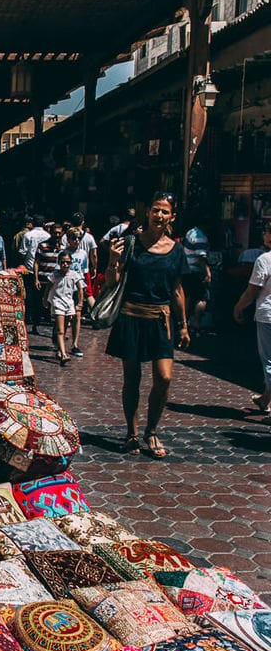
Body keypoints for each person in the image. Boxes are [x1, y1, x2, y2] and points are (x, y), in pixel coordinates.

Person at [104, 191, 191, 458]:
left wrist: (184, 325)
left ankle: (151, 431)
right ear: (148, 212)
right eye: (156, 210)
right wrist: (112, 259)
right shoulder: (132, 243)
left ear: (172, 217)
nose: (159, 215)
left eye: (165, 211)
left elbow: (177, 289)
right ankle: (131, 433)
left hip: (160, 320)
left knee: (164, 377)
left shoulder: (176, 250)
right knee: (132, 378)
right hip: (131, 316)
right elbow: (112, 282)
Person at [233, 220, 271, 414]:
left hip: (268, 315)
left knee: (269, 360)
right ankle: (266, 399)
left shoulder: (264, 260)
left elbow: (251, 291)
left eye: (267, 231)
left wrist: (239, 307)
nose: (265, 234)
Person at [43, 250, 83, 365]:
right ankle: (64, 354)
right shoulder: (54, 275)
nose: (65, 264)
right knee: (60, 330)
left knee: (64, 329)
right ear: (59, 262)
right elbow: (48, 288)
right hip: (57, 303)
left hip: (68, 303)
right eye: (63, 262)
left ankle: (60, 350)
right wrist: (45, 300)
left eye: (68, 262)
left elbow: (80, 289)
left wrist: (80, 303)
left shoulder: (74, 275)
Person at [66, 227, 94, 355]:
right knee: (67, 315)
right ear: (68, 239)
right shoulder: (64, 253)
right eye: (74, 238)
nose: (76, 241)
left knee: (77, 315)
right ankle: (61, 337)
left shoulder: (83, 254)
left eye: (78, 238)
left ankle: (75, 344)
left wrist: (86, 287)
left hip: (78, 288)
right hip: (66, 288)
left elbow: (84, 271)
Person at [20, 214, 50, 332]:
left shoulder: (28, 235)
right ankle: (42, 316)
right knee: (42, 294)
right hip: (43, 269)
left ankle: (29, 317)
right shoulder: (48, 235)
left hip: (29, 268)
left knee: (29, 294)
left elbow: (22, 252)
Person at [181, 224, 212, 336]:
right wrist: (207, 273)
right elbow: (201, 257)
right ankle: (197, 324)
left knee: (188, 296)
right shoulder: (200, 237)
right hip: (196, 271)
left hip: (187, 270)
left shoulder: (191, 232)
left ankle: (185, 323)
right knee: (202, 297)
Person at [34, 223, 65, 333]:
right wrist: (36, 278)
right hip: (43, 278)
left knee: (55, 304)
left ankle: (56, 329)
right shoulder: (43, 245)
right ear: (50, 233)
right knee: (40, 302)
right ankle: (36, 325)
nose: (57, 235)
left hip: (56, 280)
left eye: (59, 233)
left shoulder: (63, 248)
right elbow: (37, 262)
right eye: (55, 232)